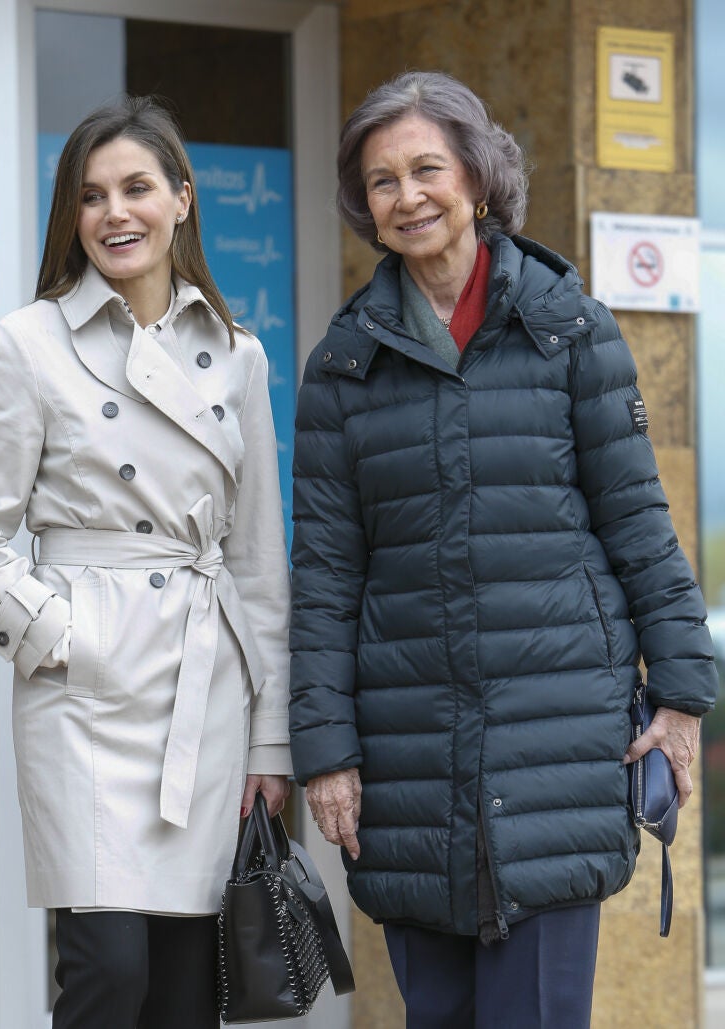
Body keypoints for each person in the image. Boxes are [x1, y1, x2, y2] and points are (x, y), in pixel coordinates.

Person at [289, 70, 718, 1028]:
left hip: (558, 743)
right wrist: (326, 751)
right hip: (405, 761)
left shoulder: (569, 331)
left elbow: (640, 524)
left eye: (428, 168)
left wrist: (684, 694)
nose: (408, 197)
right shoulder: (343, 366)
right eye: (383, 181)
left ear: (478, 179)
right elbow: (324, 575)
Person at [0, 96, 292, 1029]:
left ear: (183, 198)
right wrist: (64, 636)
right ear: (72, 216)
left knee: (182, 991)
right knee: (108, 974)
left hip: (204, 694)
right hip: (85, 698)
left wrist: (269, 742)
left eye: (137, 188)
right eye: (91, 196)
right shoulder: (29, 343)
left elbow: (257, 562)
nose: (115, 213)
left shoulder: (238, 355)